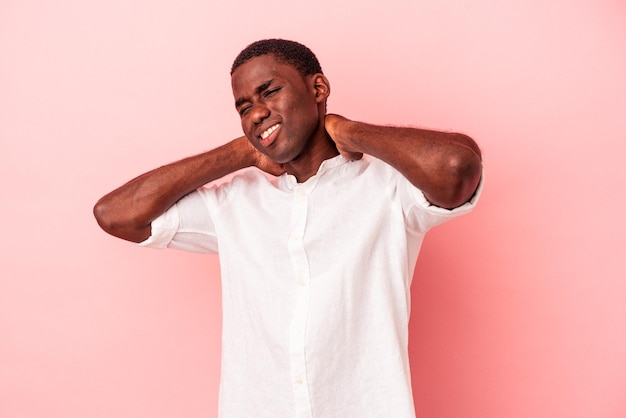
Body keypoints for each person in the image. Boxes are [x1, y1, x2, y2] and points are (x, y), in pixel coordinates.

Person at [94, 39, 483, 418]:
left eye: (269, 92)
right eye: (244, 108)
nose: (256, 114)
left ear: (318, 88)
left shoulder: (386, 188)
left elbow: (457, 167)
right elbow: (115, 214)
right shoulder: (235, 205)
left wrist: (350, 131)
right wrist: (240, 152)